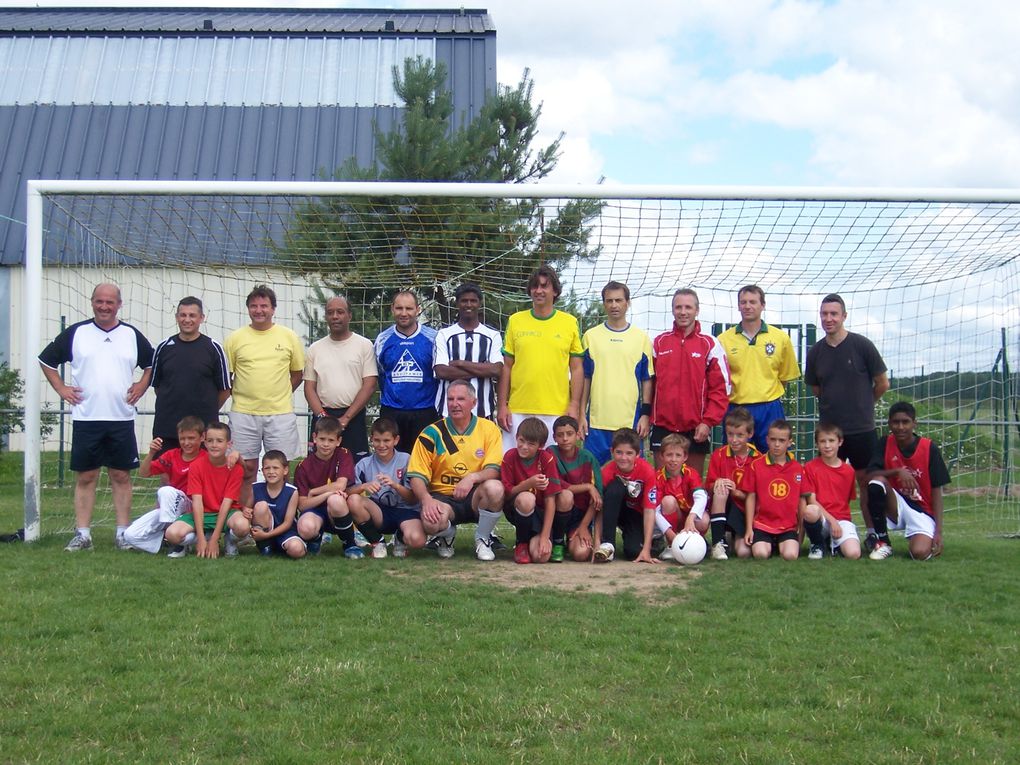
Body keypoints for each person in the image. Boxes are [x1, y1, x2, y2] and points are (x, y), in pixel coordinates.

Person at [38, 282, 154, 552]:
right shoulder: (77, 333)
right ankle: (83, 534)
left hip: (121, 418)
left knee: (121, 476)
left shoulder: (130, 334)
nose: (104, 306)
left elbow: (151, 363)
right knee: (87, 476)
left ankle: (123, 534)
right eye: (99, 301)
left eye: (110, 302)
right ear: (92, 302)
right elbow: (46, 361)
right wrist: (61, 388)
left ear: (119, 305)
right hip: (86, 418)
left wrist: (141, 385)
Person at [804, 293, 889, 546]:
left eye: (833, 314)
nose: (828, 319)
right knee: (829, 486)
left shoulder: (862, 345)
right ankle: (829, 534)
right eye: (824, 314)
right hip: (831, 434)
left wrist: (863, 406)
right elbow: (817, 389)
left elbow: (883, 383)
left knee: (866, 483)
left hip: (862, 430)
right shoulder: (816, 352)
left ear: (844, 316)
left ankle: (873, 533)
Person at [224, 285, 305, 506]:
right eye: (254, 306)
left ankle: (280, 520)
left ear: (273, 309)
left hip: (279, 414)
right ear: (248, 309)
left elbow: (297, 373)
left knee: (280, 468)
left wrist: (279, 394)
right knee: (245, 469)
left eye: (264, 306)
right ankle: (244, 520)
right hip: (243, 413)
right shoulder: (235, 339)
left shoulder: (289, 336)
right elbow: (227, 377)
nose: (259, 310)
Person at [408, 379, 505, 561]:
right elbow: (416, 475)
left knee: (495, 488)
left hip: (475, 496)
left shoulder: (488, 429)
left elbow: (494, 469)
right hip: (443, 498)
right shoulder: (431, 433)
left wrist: (471, 478)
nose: (455, 404)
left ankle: (483, 539)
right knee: (430, 523)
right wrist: (426, 499)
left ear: (473, 403)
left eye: (460, 399)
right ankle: (446, 535)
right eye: (450, 399)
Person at [497, 265, 584, 451]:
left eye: (544, 286)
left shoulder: (569, 323)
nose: (539, 291)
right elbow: (506, 367)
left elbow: (577, 368)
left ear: (555, 291)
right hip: (519, 409)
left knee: (553, 471)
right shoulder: (515, 320)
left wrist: (574, 405)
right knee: (512, 467)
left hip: (556, 410)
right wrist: (503, 405)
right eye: (535, 286)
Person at [650, 288, 730, 475]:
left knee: (692, 485)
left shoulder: (710, 344)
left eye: (688, 307)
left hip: (696, 428)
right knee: (662, 484)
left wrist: (708, 422)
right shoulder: (659, 343)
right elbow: (649, 384)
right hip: (663, 426)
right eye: (678, 307)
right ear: (672, 310)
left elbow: (721, 388)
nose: (683, 312)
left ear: (697, 310)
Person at [716, 285, 800, 453]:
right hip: (736, 408)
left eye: (753, 302)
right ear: (738, 306)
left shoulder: (780, 338)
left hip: (769, 408)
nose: (748, 306)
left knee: (774, 459)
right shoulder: (723, 340)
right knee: (735, 461)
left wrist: (765, 394)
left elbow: (784, 377)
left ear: (763, 305)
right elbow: (719, 380)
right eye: (743, 302)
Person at [579, 280, 654, 464]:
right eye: (609, 300)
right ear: (604, 303)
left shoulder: (641, 338)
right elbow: (586, 378)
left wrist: (645, 414)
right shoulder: (590, 336)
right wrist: (581, 413)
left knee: (632, 478)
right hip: (597, 422)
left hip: (629, 422)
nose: (614, 305)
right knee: (594, 476)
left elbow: (647, 380)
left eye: (619, 300)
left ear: (627, 303)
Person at [865, 401, 950, 561]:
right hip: (896, 504)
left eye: (905, 422)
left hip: (922, 510)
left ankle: (919, 536)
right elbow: (869, 475)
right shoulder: (884, 443)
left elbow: (937, 491)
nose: (901, 427)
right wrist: (898, 471)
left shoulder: (929, 448)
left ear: (914, 423)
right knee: (876, 482)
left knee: (919, 553)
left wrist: (938, 532)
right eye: (896, 422)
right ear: (889, 424)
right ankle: (883, 542)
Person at [150, 296, 230, 454]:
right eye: (183, 315)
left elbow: (225, 390)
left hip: (203, 428)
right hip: (167, 426)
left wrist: (206, 410)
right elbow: (158, 387)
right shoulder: (164, 347)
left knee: (202, 474)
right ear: (177, 317)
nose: (187, 320)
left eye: (192, 315)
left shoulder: (214, 348)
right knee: (168, 475)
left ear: (202, 318)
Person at [303, 295, 378, 463]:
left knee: (355, 471)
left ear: (349, 315)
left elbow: (370, 384)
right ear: (326, 317)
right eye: (330, 312)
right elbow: (309, 388)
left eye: (340, 312)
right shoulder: (315, 349)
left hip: (353, 417)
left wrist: (346, 418)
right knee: (318, 471)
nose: (335, 316)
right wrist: (322, 417)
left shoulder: (364, 345)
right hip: (323, 417)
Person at [164, 422, 252, 559]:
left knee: (242, 526)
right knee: (171, 534)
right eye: (210, 441)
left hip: (227, 512)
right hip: (203, 513)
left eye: (219, 441)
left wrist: (214, 539)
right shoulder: (196, 466)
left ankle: (230, 539)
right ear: (204, 441)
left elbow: (226, 503)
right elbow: (197, 502)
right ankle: (191, 541)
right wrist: (201, 539)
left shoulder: (235, 468)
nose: (214, 445)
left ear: (229, 444)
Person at [347, 418, 427, 559]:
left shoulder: (407, 460)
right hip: (380, 512)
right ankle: (377, 542)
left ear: (395, 440)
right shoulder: (364, 464)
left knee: (417, 540)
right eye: (377, 440)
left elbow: (413, 498)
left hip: (406, 511)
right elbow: (347, 493)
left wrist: (395, 485)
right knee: (353, 500)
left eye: (386, 441)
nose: (381, 445)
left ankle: (400, 539)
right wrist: (364, 486)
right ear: (371, 439)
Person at [375, 290, 439, 453]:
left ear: (417, 309)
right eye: (399, 308)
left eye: (409, 309)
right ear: (392, 309)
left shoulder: (433, 338)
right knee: (391, 459)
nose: (404, 313)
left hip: (425, 410)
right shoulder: (383, 339)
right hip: (392, 411)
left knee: (424, 459)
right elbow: (381, 374)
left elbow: (438, 374)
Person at [136, 415, 206, 557]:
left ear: (202, 437)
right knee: (131, 536)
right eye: (182, 439)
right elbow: (143, 473)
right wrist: (151, 453)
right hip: (172, 505)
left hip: (193, 505)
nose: (186, 443)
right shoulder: (172, 455)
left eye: (191, 438)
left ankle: (175, 543)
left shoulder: (206, 458)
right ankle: (174, 540)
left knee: (166, 491)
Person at [501, 417, 567, 564]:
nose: (524, 446)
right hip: (518, 508)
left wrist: (544, 537)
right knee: (526, 498)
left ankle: (551, 540)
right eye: (521, 440)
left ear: (541, 445)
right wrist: (528, 484)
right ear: (516, 437)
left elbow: (551, 499)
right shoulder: (510, 456)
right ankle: (521, 543)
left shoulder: (546, 459)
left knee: (540, 557)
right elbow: (507, 494)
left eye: (531, 444)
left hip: (540, 514)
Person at [433, 283, 503, 419]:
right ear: (457, 303)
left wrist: (459, 363)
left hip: (483, 412)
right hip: (447, 413)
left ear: (480, 304)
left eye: (473, 301)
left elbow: (496, 370)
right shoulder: (444, 334)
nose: (469, 305)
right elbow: (441, 371)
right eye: (464, 301)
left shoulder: (492, 335)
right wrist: (483, 368)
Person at [294, 416, 360, 558]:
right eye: (322, 439)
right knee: (305, 528)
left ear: (338, 441)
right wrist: (325, 494)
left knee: (335, 500)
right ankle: (315, 538)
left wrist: (314, 492)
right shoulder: (303, 467)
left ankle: (349, 543)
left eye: (331, 440)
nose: (325, 444)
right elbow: (303, 505)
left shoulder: (344, 454)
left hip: (337, 510)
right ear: (315, 438)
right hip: (315, 511)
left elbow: (341, 485)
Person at [741, 420, 807, 561]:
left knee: (790, 556)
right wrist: (749, 528)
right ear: (767, 440)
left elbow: (802, 500)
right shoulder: (756, 465)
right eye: (773, 440)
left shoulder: (797, 468)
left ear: (789, 442)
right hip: (763, 524)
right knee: (760, 554)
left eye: (781, 440)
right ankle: (770, 544)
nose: (777, 444)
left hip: (788, 526)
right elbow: (751, 497)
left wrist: (801, 531)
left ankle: (780, 545)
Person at [594, 428, 659, 564]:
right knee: (615, 487)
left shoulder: (647, 471)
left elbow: (649, 510)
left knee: (633, 552)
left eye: (629, 453)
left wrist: (646, 549)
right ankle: (608, 545)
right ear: (612, 451)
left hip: (635, 513)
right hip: (613, 509)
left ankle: (652, 541)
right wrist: (597, 542)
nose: (623, 458)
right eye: (619, 452)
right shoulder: (606, 471)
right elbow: (599, 508)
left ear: (638, 454)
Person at [705, 407, 760, 560]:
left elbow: (757, 497)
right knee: (721, 488)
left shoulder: (758, 459)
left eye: (740, 435)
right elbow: (708, 486)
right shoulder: (719, 455)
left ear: (750, 434)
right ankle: (718, 543)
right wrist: (718, 483)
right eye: (730, 434)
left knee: (743, 553)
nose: (734, 440)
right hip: (725, 506)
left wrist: (736, 492)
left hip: (746, 512)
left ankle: (732, 537)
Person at [801, 423, 862, 560]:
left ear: (840, 442)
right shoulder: (810, 467)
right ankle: (817, 544)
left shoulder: (849, 471)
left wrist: (837, 522)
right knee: (810, 511)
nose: (827, 445)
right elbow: (812, 500)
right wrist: (832, 521)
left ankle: (834, 544)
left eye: (831, 441)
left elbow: (846, 500)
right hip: (821, 519)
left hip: (841, 519)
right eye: (823, 441)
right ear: (817, 444)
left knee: (853, 554)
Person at [549, 415, 603, 562]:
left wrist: (584, 526)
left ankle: (573, 539)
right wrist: (587, 486)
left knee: (581, 554)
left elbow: (597, 498)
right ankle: (558, 542)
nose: (565, 438)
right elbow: (556, 485)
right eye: (560, 435)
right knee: (565, 495)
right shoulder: (550, 453)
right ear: (554, 437)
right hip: (553, 515)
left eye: (569, 434)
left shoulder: (588, 458)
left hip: (579, 517)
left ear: (578, 435)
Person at [654, 433, 709, 561]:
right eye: (669, 455)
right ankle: (670, 545)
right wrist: (669, 533)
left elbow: (701, 497)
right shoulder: (657, 478)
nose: (673, 459)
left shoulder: (691, 473)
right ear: (662, 456)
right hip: (673, 518)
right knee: (668, 501)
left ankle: (695, 544)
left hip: (689, 518)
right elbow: (655, 511)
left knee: (704, 520)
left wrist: (691, 517)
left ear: (685, 457)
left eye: (678, 455)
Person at [250, 450, 304, 559]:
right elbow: (247, 511)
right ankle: (266, 546)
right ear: (262, 470)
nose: (271, 472)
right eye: (267, 468)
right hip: (265, 533)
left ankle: (281, 546)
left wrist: (267, 535)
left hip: (285, 532)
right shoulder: (255, 488)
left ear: (285, 470)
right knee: (261, 506)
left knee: (296, 550)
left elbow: (288, 523)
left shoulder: (292, 491)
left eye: (275, 468)